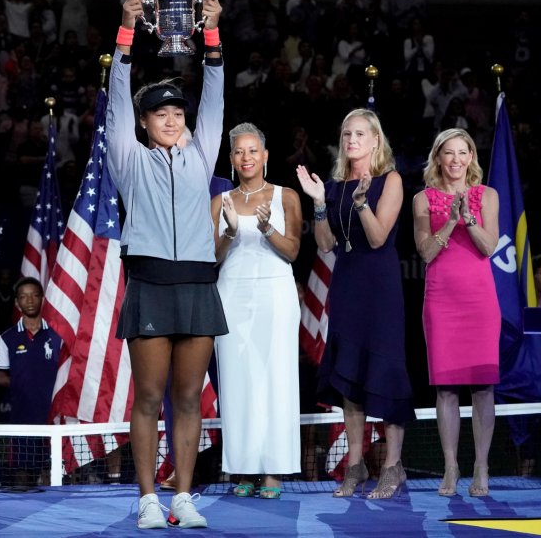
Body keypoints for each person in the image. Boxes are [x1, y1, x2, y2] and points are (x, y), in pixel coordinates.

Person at [106, 0, 225, 530]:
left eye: (178, 112)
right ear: (145, 121)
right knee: (149, 397)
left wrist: (214, 35)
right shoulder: (129, 159)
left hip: (198, 285)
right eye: (161, 113)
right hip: (151, 282)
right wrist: (127, 32)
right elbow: (116, 103)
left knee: (188, 398)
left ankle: (182, 495)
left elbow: (217, 97)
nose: (172, 119)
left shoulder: (203, 154)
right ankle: (149, 499)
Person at [296, 108, 414, 500]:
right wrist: (317, 203)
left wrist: (362, 203)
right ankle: (356, 464)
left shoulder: (390, 180)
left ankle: (393, 466)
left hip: (379, 289)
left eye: (360, 134)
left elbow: (379, 238)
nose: (352, 140)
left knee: (385, 373)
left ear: (376, 140)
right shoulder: (334, 185)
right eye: (347, 134)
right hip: (346, 285)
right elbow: (327, 242)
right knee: (349, 378)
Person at [212, 122, 303, 499]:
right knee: (237, 383)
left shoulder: (286, 197)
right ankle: (243, 469)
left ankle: (274, 470)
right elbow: (211, 258)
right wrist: (231, 231)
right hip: (231, 296)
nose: (246, 157)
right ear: (232, 159)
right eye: (238, 151)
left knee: (276, 380)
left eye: (253, 151)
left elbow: (293, 250)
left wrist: (266, 229)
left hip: (276, 297)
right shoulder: (221, 202)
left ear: (264, 156)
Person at [412, 128, 500, 497]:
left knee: (482, 389)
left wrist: (468, 218)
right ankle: (450, 465)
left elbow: (489, 247)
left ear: (470, 157)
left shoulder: (487, 195)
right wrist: (448, 220)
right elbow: (427, 253)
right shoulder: (422, 199)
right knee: (446, 390)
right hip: (441, 301)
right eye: (448, 153)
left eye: (462, 153)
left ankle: (481, 466)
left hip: (479, 301)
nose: (455, 160)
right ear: (438, 158)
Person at [0, 277, 61, 486]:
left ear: (42, 299)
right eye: (23, 297)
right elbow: (0, 376)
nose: (29, 300)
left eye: (34, 295)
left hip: (54, 415)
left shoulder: (59, 335)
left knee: (55, 470)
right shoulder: (8, 338)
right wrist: (23, 386)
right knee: (23, 472)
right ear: (17, 303)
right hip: (22, 416)